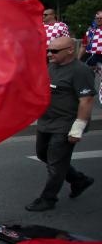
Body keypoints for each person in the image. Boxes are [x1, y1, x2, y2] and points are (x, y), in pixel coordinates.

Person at [26, 36, 95, 211]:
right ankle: (79, 180)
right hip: (46, 121)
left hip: (66, 124)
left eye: (54, 51)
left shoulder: (81, 71)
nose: (50, 54)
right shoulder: (52, 67)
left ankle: (48, 199)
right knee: (43, 155)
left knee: (56, 164)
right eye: (48, 50)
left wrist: (78, 128)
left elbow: (86, 100)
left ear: (70, 50)